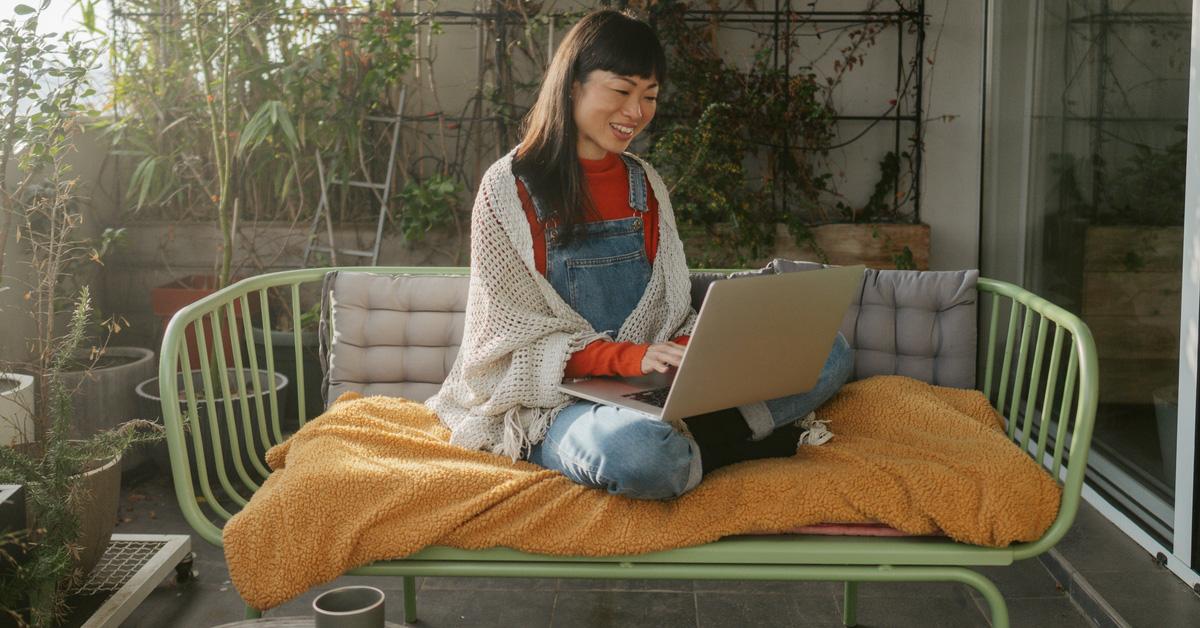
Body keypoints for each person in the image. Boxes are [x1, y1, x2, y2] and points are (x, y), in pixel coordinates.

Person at [425, 9, 852, 500]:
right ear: (572, 86)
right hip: (557, 400)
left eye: (649, 96)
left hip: (653, 383)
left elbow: (670, 306)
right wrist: (631, 358)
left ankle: (702, 441)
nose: (636, 111)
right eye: (622, 90)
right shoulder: (508, 187)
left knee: (830, 350)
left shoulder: (644, 181)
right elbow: (505, 340)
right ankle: (724, 441)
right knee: (638, 454)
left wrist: (694, 347)